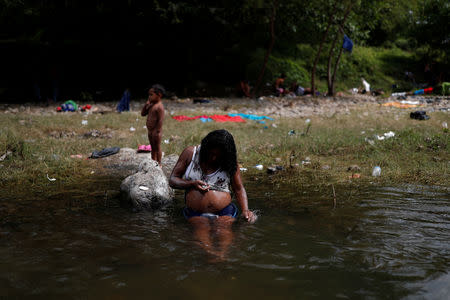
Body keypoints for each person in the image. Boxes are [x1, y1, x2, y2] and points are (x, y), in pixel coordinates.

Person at [169, 129, 256, 259]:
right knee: (201, 226)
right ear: (205, 147)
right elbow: (173, 179)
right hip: (195, 211)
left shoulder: (230, 163)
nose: (213, 158)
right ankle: (210, 254)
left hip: (224, 210)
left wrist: (245, 210)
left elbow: (238, 189)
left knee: (223, 229)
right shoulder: (190, 154)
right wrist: (191, 184)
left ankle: (222, 254)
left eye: (218, 156)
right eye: (211, 153)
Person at [141, 84, 165, 164]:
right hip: (150, 131)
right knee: (152, 148)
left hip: (156, 132)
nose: (149, 97)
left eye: (151, 95)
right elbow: (143, 114)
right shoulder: (151, 105)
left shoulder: (159, 107)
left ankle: (159, 163)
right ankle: (153, 161)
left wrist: (157, 131)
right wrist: (146, 105)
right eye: (149, 95)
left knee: (157, 148)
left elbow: (160, 120)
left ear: (159, 95)